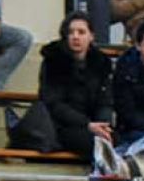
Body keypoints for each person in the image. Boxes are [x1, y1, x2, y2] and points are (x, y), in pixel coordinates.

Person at [38, 11, 115, 163]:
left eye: (81, 32)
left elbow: (105, 100)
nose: (75, 37)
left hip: (93, 124)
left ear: (91, 36)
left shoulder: (101, 63)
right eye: (71, 32)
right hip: (62, 125)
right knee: (94, 144)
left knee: (116, 140)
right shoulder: (53, 60)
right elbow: (54, 104)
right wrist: (87, 124)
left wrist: (103, 125)